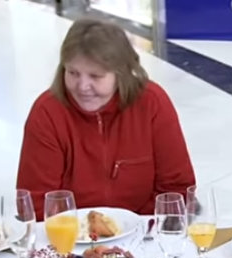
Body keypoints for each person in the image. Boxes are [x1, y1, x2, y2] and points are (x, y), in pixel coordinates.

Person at [16, 19, 195, 218]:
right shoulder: (47, 113)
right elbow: (35, 204)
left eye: (96, 76)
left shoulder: (152, 103)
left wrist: (134, 229)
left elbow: (176, 191)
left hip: (144, 232)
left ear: (121, 74)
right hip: (70, 238)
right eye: (73, 73)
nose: (82, 86)